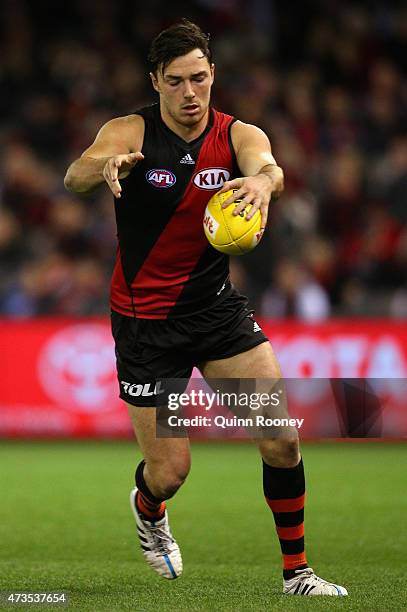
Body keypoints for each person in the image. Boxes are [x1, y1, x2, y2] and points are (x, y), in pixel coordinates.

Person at [64, 19, 347, 597]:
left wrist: (265, 184)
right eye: (176, 82)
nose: (190, 93)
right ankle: (148, 509)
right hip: (145, 323)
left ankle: (298, 573)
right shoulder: (130, 130)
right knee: (170, 474)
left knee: (282, 439)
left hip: (217, 313)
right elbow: (74, 176)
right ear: (156, 82)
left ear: (213, 74)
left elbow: (268, 163)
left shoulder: (236, 134)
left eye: (199, 78)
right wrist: (105, 167)